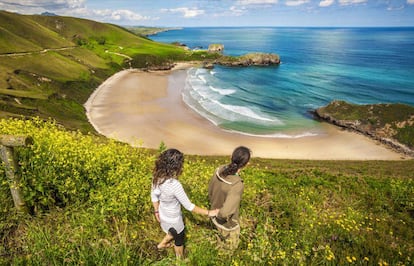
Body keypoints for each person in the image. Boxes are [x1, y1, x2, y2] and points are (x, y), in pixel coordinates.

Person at [151, 148, 218, 259]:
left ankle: (161, 244)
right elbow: (189, 206)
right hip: (174, 219)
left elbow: (154, 196)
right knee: (179, 239)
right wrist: (209, 212)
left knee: (171, 231)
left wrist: (156, 211)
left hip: (163, 214)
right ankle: (179, 259)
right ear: (176, 167)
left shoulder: (156, 177)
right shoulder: (175, 184)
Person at [208, 146, 251, 250]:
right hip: (227, 225)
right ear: (246, 164)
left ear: (231, 157)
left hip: (212, 214)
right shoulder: (236, 184)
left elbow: (210, 190)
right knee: (229, 251)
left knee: (217, 242)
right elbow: (225, 212)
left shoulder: (219, 169)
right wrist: (220, 214)